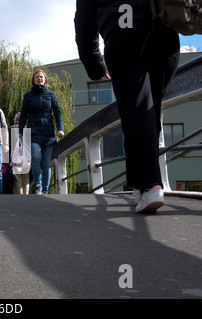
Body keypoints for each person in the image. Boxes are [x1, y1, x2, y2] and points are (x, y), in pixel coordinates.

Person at [74, 0, 180, 213]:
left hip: (123, 31)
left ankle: (150, 185)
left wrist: (95, 65)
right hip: (165, 29)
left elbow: (84, 20)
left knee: (137, 111)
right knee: (148, 111)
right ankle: (140, 183)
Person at [18, 70, 64, 194]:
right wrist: (20, 130)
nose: (39, 79)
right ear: (33, 80)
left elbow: (58, 112)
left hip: (48, 131)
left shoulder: (51, 94)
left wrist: (60, 128)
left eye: (41, 77)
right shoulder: (28, 95)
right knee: (36, 158)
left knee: (46, 162)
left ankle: (45, 189)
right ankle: (37, 186)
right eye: (37, 77)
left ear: (45, 80)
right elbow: (23, 114)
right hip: (33, 131)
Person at [9, 112, 30, 194]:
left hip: (16, 157)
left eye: (14, 118)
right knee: (26, 181)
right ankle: (26, 200)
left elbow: (9, 145)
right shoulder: (28, 129)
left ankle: (19, 200)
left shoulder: (11, 128)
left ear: (17, 119)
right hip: (27, 158)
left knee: (17, 181)